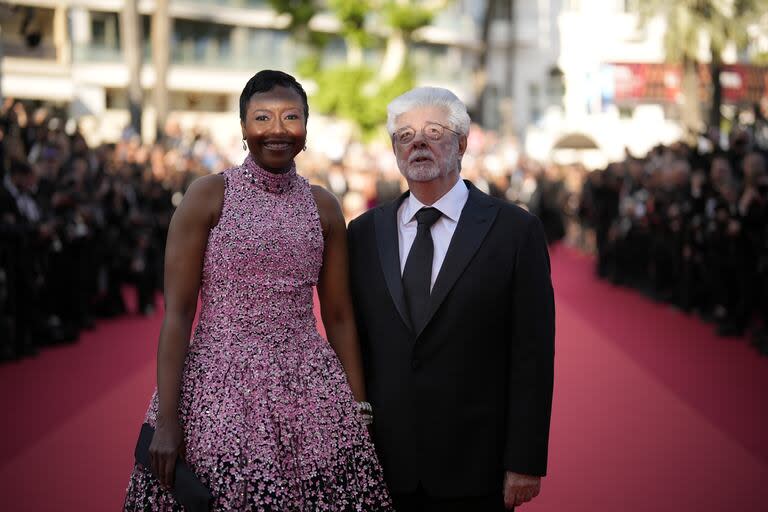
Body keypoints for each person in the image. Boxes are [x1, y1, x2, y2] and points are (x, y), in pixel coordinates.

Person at [124, 70, 392, 511]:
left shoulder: (324, 206)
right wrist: (169, 421)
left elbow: (340, 315)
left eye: (291, 118)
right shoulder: (208, 196)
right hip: (217, 385)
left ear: (306, 131)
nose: (277, 130)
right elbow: (177, 315)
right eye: (262, 117)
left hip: (310, 387)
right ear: (243, 128)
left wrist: (358, 408)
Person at [347, 87, 555, 511]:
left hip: (477, 465)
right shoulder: (365, 233)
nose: (417, 142)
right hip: (386, 464)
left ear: (461, 143)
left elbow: (532, 355)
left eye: (433, 131)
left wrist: (525, 460)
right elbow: (357, 341)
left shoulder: (515, 231)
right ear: (394, 150)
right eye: (405, 135)